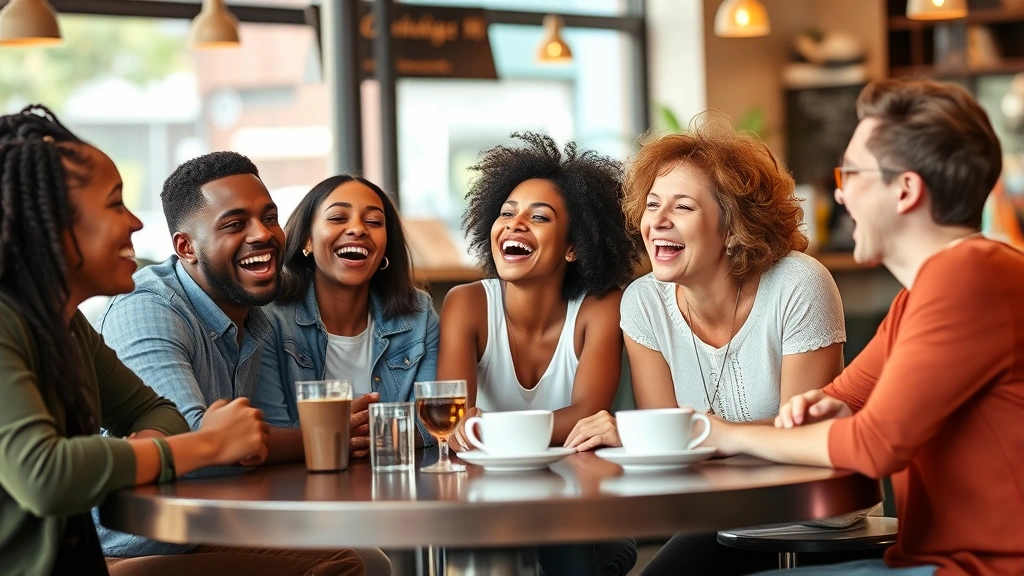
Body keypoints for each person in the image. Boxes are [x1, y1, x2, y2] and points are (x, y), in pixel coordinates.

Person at [712, 79, 1024, 576]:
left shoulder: (970, 277)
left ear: (905, 190)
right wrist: (816, 410)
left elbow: (872, 445)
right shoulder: (921, 296)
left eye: (851, 173)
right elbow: (840, 406)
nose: (838, 192)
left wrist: (724, 434)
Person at [565, 115, 848, 575]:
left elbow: (803, 441)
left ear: (734, 227)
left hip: (812, 520)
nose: (656, 221)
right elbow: (671, 450)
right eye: (652, 204)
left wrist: (693, 433)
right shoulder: (644, 303)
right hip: (720, 519)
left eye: (682, 207)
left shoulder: (799, 283)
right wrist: (640, 434)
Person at [0, 105, 271, 575]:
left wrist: (138, 452)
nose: (136, 224)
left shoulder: (65, 327)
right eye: (114, 204)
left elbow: (158, 412)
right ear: (49, 225)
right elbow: (45, 474)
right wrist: (205, 445)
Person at [93, 152, 373, 575]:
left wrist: (302, 439)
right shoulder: (147, 309)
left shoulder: (256, 319)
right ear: (186, 248)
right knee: (340, 565)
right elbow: (191, 445)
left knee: (371, 557)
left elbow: (267, 436)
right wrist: (328, 434)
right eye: (235, 224)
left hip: (206, 532)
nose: (263, 234)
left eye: (270, 217)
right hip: (130, 547)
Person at [438, 132, 640, 576]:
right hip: (485, 497)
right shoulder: (466, 304)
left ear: (574, 246)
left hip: (577, 503)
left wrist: (489, 427)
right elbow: (455, 421)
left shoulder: (602, 306)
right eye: (506, 213)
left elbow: (589, 414)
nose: (514, 224)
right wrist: (475, 427)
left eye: (539, 217)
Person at [255, 174, 439, 452]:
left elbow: (432, 421)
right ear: (307, 239)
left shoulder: (419, 313)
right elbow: (272, 434)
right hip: (299, 489)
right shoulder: (269, 317)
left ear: (386, 245)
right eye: (338, 218)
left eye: (374, 222)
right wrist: (337, 434)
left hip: (397, 485)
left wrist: (363, 438)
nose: (358, 229)